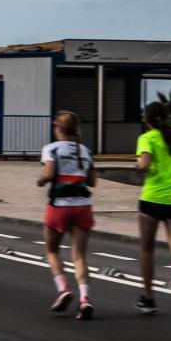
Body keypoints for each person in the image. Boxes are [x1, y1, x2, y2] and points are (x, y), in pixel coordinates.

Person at [136, 101, 171, 320]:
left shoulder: (146, 138)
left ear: (147, 120)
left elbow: (144, 165)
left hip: (152, 199)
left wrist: (138, 167)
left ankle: (148, 298)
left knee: (147, 249)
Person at [40, 111, 98, 319]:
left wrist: (40, 180)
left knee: (52, 251)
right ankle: (85, 300)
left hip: (59, 207)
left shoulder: (51, 149)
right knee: (79, 256)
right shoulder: (86, 151)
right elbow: (93, 182)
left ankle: (63, 289)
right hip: (83, 207)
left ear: (58, 128)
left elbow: (48, 173)